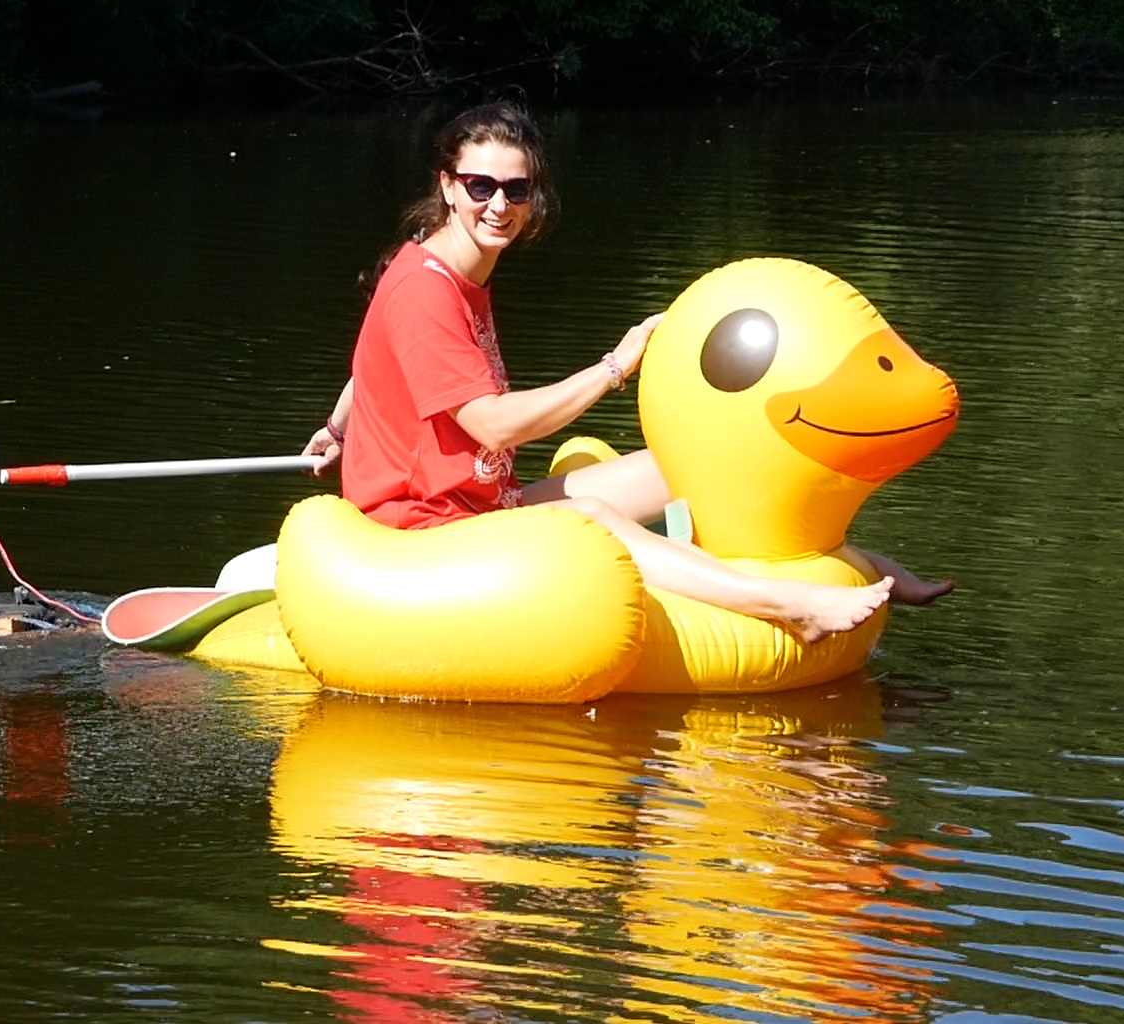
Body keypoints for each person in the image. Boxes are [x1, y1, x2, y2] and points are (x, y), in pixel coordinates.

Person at [301, 102, 949, 643]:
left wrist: (335, 427)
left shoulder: (453, 273)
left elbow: (381, 356)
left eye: (517, 190)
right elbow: (491, 426)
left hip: (478, 505)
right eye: (480, 187)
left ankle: (849, 562)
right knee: (593, 518)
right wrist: (613, 367)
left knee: (676, 467)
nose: (499, 205)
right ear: (447, 185)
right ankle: (784, 604)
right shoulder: (427, 289)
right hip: (427, 529)